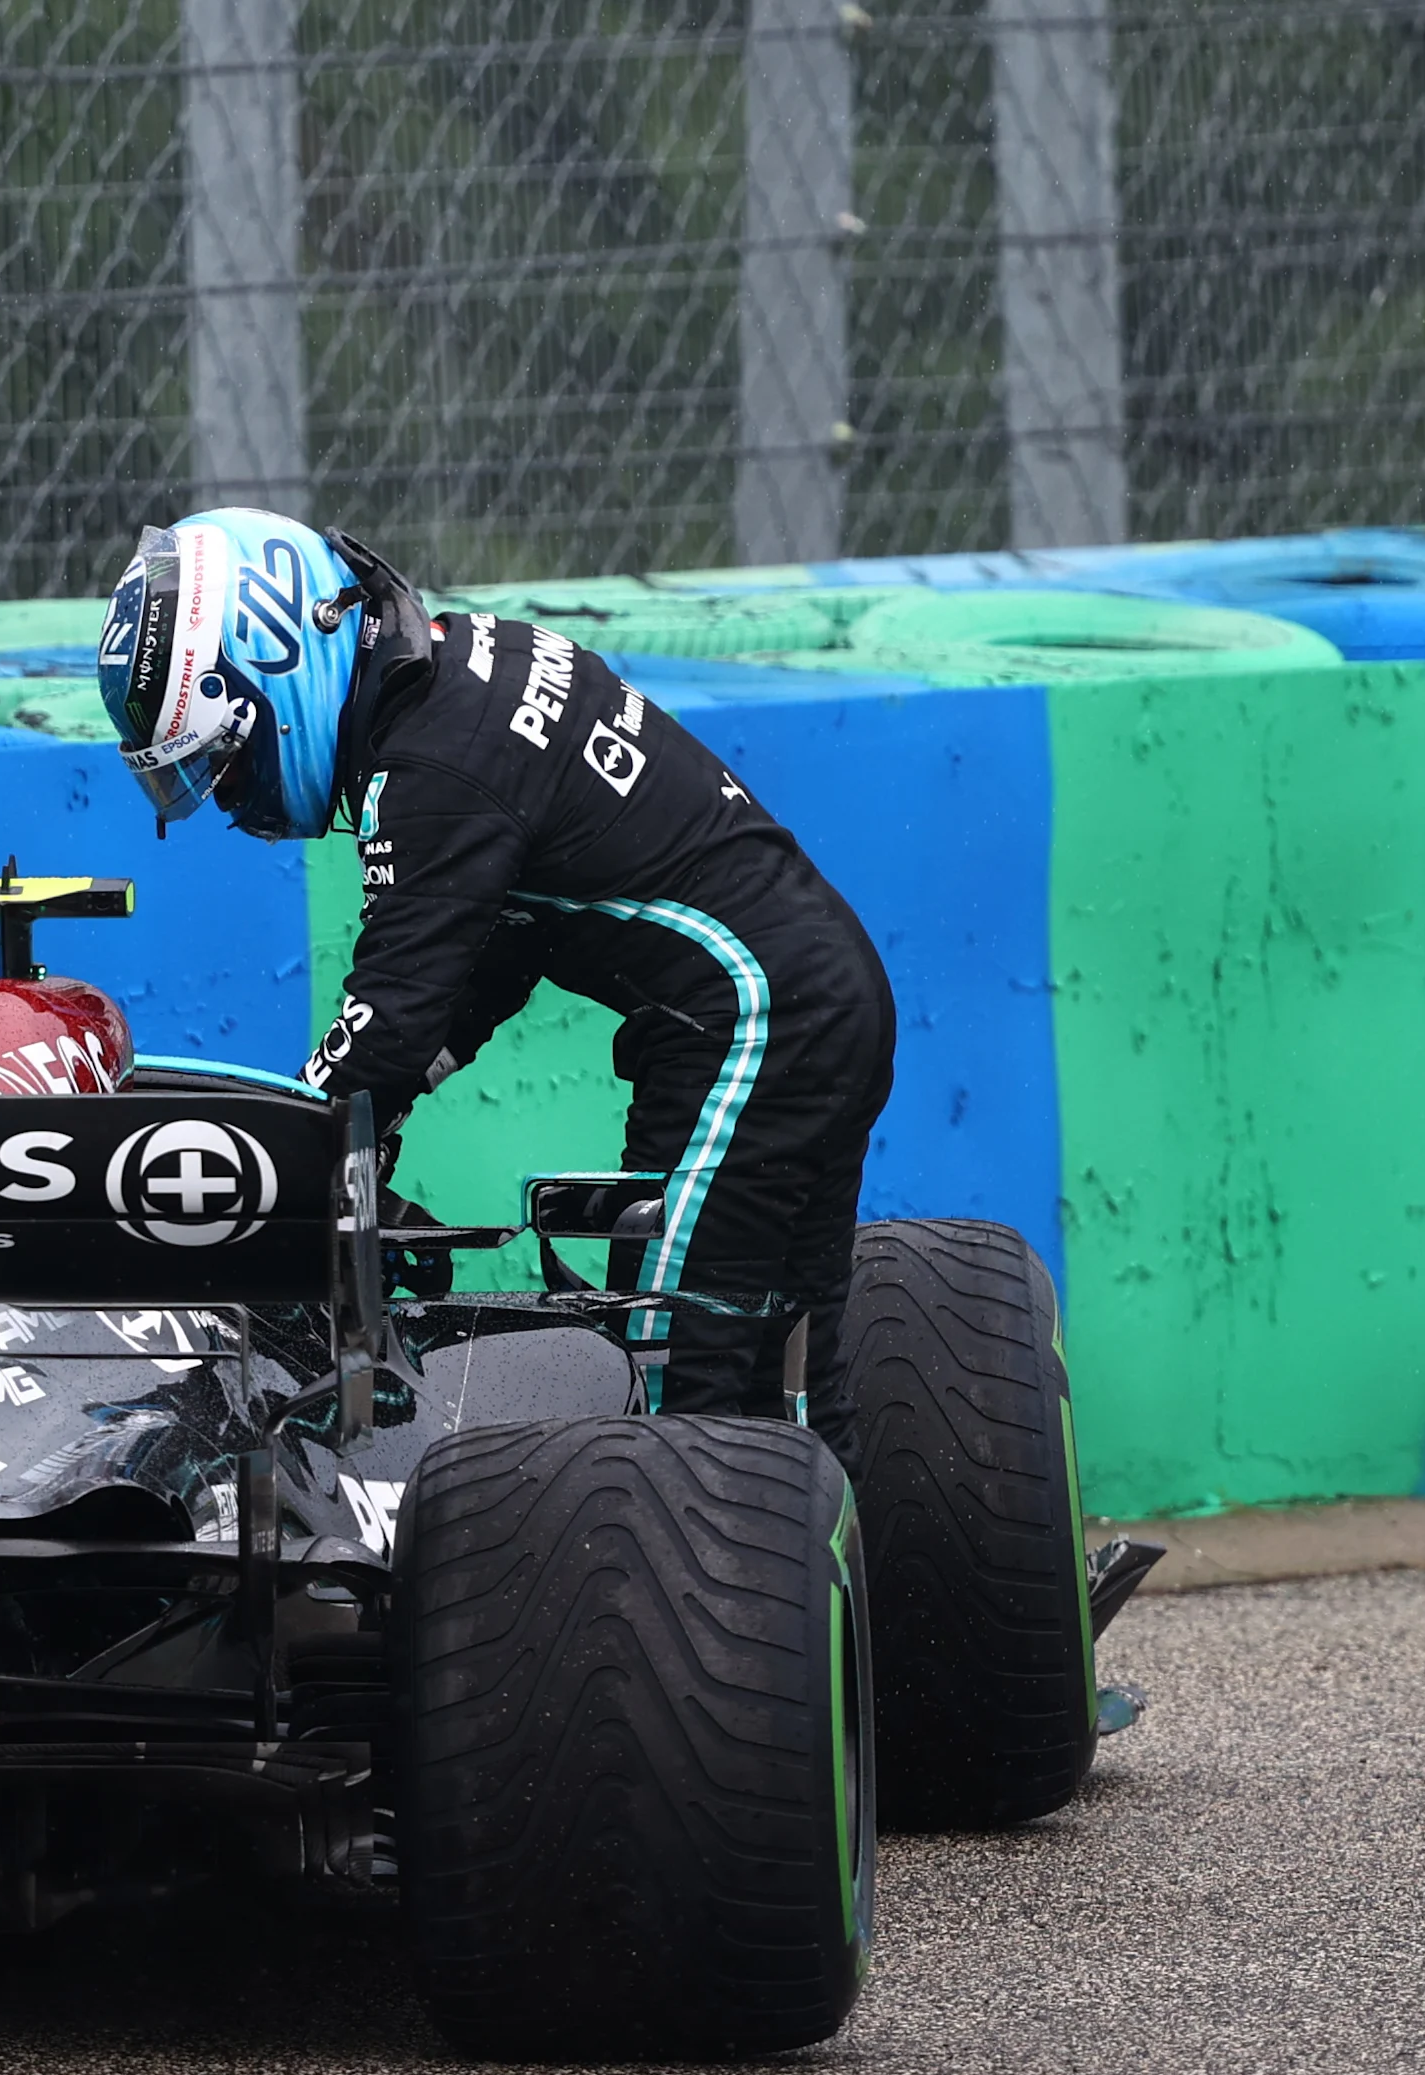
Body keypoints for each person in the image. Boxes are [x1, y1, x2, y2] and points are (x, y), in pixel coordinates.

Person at [96, 508, 896, 1461]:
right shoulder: (467, 666)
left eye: (224, 764)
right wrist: (379, 1099)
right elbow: (498, 949)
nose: (234, 802)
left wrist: (293, 1144)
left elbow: (388, 1023)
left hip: (757, 1025)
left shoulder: (430, 769)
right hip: (787, 1012)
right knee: (793, 1375)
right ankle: (865, 1600)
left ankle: (704, 1604)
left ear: (275, 668)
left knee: (679, 1374)